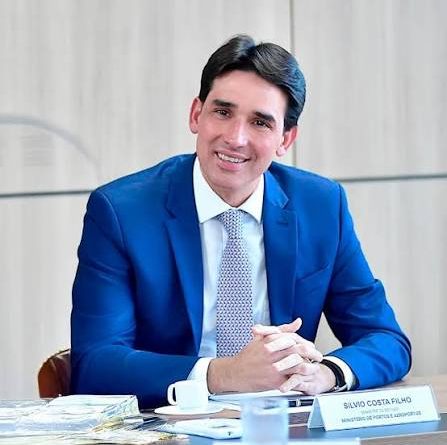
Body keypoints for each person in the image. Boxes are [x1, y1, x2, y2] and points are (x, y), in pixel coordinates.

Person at [71, 34, 411, 408]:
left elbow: (386, 339)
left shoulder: (320, 205)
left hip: (283, 422)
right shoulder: (122, 211)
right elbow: (95, 364)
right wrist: (225, 375)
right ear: (196, 115)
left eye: (260, 122)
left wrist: (325, 373)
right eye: (223, 112)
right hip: (171, 422)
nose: (235, 138)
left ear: (286, 139)